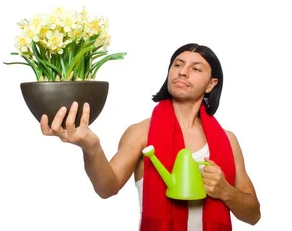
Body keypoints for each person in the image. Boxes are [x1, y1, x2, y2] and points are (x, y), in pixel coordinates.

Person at [40, 43, 261, 231]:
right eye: (177, 65)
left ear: (211, 84)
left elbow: (253, 215)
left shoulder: (227, 140)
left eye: (196, 68)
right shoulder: (141, 133)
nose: (182, 72)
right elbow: (107, 188)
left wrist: (226, 192)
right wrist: (92, 148)